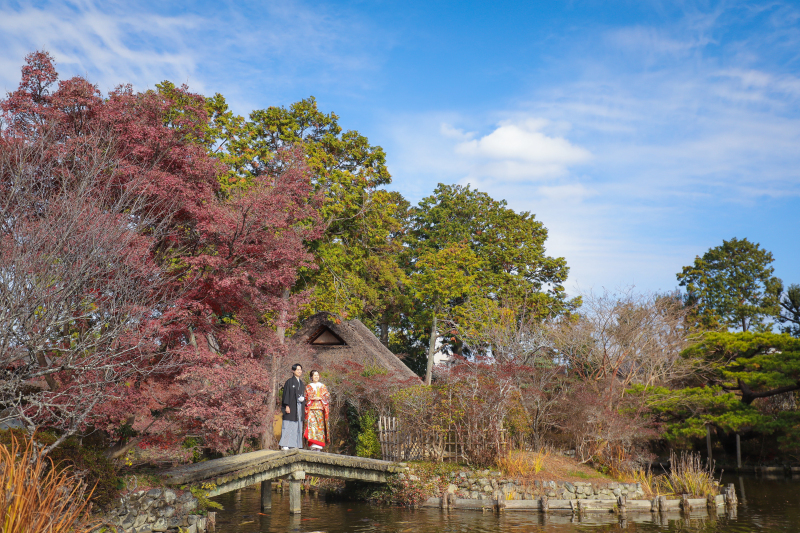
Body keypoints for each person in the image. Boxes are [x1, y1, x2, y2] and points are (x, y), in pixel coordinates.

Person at [278, 363, 305, 450]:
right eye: (298, 370)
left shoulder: (301, 383)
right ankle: (285, 444)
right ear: (293, 371)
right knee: (288, 424)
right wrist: (287, 405)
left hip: (299, 407)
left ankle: (294, 444)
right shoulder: (289, 382)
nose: (299, 371)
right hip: (291, 406)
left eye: (300, 370)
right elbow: (286, 394)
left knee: (297, 425)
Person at [303, 370, 331, 451]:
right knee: (312, 426)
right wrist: (312, 398)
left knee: (319, 427)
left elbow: (327, 396)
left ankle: (319, 445)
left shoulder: (322, 386)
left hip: (320, 409)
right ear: (311, 377)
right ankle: (312, 444)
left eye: (317, 375)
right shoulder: (308, 386)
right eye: (314, 375)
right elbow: (306, 397)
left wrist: (321, 398)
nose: (316, 377)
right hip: (311, 409)